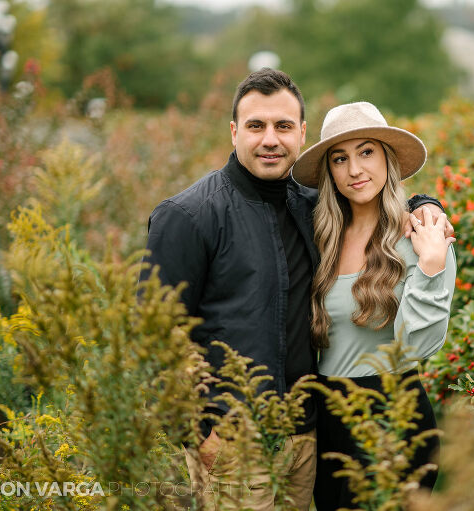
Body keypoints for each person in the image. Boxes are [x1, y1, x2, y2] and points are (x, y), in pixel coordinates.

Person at [139, 69, 450, 510]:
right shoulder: (188, 216)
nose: (271, 139)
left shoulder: (313, 210)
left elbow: (376, 202)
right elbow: (154, 336)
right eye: (256, 126)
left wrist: (426, 207)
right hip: (234, 444)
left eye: (283, 126)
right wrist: (197, 432)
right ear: (234, 132)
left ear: (301, 134)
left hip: (308, 439)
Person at [291, 101, 457, 509]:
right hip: (327, 417)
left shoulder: (423, 234)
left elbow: (417, 347)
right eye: (340, 158)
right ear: (329, 171)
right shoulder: (320, 236)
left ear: (388, 158)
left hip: (393, 414)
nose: (354, 170)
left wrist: (432, 267)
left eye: (367, 152)